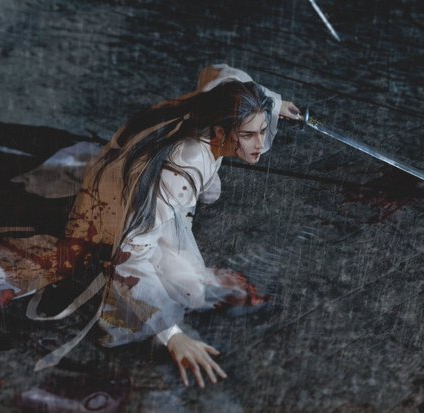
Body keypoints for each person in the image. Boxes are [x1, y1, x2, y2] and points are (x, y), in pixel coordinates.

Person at [59, 64, 301, 388]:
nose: (260, 143)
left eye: (262, 130)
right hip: (114, 205)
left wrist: (275, 103)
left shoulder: (220, 99)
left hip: (157, 172)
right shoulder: (177, 174)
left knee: (194, 276)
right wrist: (172, 334)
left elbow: (223, 73)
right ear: (219, 133)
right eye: (248, 135)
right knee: (190, 291)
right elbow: (130, 254)